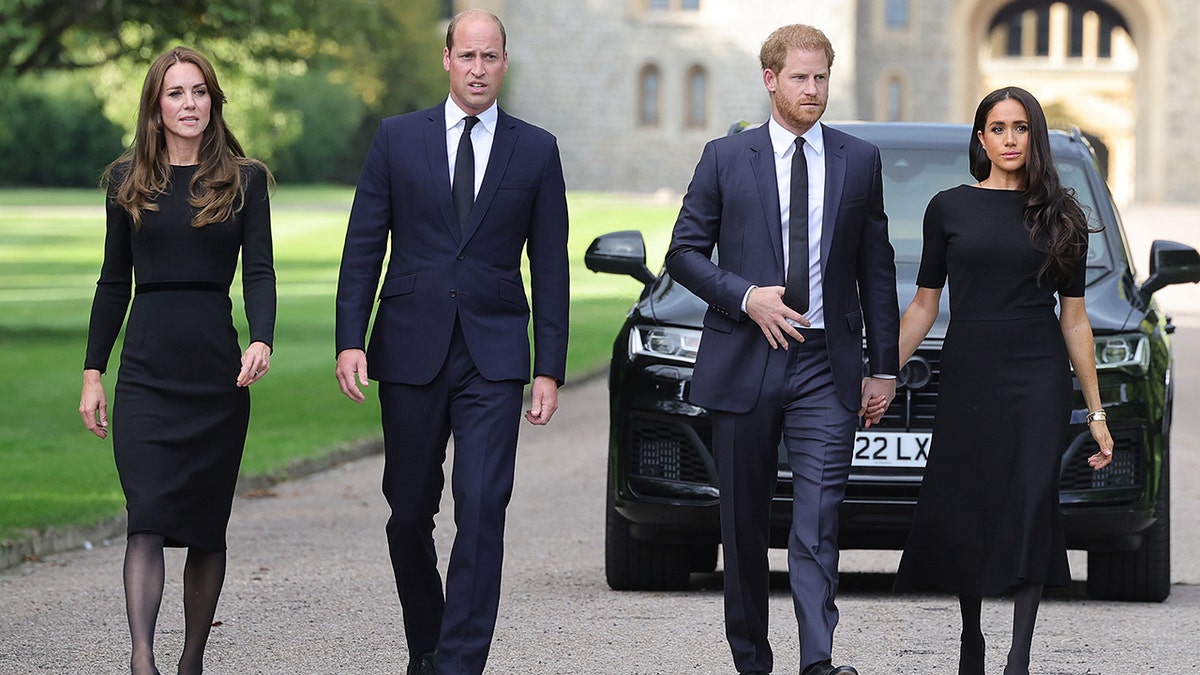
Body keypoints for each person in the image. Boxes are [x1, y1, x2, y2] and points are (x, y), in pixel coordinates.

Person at [333, 9, 569, 675]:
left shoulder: (537, 148)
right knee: (408, 512)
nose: (477, 69)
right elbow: (362, 247)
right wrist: (350, 338)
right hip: (409, 346)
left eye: (490, 57)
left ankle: (460, 662)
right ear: (447, 59)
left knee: (484, 504)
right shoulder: (396, 139)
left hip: (493, 356)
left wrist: (548, 366)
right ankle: (429, 642)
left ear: (503, 62)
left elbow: (549, 266)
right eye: (467, 56)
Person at [665, 23, 899, 675]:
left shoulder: (859, 159)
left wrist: (883, 366)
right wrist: (747, 297)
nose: (813, 89)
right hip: (746, 356)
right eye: (800, 77)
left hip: (826, 364)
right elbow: (682, 253)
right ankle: (751, 660)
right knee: (742, 524)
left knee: (818, 516)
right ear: (771, 80)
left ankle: (818, 661)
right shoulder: (723, 158)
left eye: (821, 77)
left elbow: (875, 271)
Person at [891, 86, 1114, 675]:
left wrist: (1096, 412)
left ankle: (1019, 654)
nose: (1009, 139)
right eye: (997, 127)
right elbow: (922, 306)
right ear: (981, 138)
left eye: (1020, 128)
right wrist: (881, 372)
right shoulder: (948, 208)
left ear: (1033, 136)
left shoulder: (1063, 215)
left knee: (1032, 498)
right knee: (971, 497)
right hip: (970, 367)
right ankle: (972, 638)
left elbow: (1074, 318)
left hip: (1037, 373)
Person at [78, 46, 275, 675]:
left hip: (215, 372)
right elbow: (112, 283)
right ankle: (143, 661)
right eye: (175, 93)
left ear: (213, 101)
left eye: (198, 92)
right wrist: (92, 372)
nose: (189, 104)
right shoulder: (126, 182)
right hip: (145, 371)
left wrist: (262, 338)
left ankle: (190, 662)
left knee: (207, 528)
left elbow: (261, 273)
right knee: (147, 519)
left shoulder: (244, 180)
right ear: (155, 106)